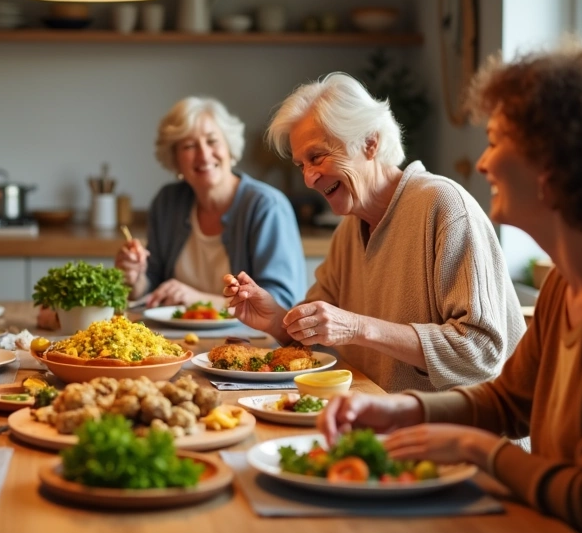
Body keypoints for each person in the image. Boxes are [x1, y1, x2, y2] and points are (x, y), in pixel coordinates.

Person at [320, 45, 582, 533]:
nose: (482, 163)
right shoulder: (571, 277)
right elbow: (509, 402)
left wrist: (476, 449)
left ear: (551, 163)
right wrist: (403, 410)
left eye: (496, 141)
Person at [224, 73, 525, 392]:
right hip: (381, 419)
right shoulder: (349, 228)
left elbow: (480, 352)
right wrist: (275, 320)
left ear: (370, 142)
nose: (309, 179)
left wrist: (356, 327)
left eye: (317, 156)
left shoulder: (443, 206)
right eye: (301, 165)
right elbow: (318, 333)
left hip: (467, 435)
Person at [115, 96, 306, 309]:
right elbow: (153, 287)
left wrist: (198, 301)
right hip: (175, 339)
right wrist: (135, 278)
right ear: (175, 159)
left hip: (249, 340)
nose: (204, 155)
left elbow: (281, 301)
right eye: (188, 146)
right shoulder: (167, 202)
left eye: (212, 141)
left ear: (229, 148)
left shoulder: (266, 206)